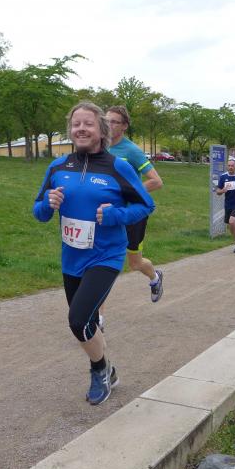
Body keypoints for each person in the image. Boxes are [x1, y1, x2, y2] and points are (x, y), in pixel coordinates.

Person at [33, 101, 155, 405]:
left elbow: (146, 204)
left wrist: (116, 215)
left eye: (88, 123)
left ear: (101, 130)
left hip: (105, 256)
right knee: (85, 324)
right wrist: (48, 204)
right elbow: (39, 212)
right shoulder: (57, 167)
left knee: (77, 320)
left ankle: (99, 371)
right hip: (72, 257)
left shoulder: (117, 167)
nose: (81, 129)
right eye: (76, 124)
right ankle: (107, 369)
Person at [95, 106, 165, 329]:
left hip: (133, 214)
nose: (109, 125)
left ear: (124, 126)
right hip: (108, 215)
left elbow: (156, 181)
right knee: (102, 263)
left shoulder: (131, 151)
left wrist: (128, 192)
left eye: (114, 122)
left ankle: (155, 277)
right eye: (106, 120)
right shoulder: (99, 147)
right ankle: (98, 319)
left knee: (135, 263)